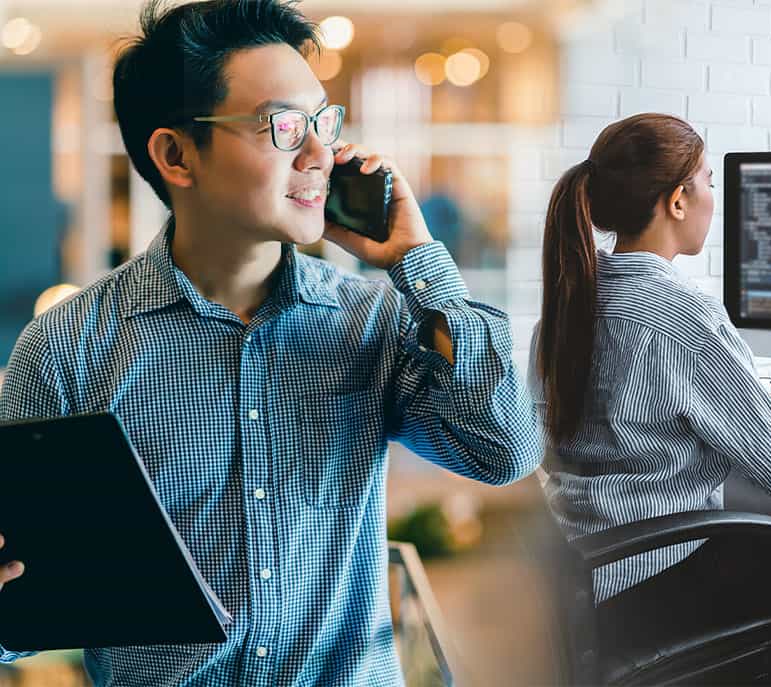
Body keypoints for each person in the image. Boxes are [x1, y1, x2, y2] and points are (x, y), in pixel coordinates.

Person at [0, 1, 540, 684]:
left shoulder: (369, 316)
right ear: (176, 154)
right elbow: (24, 609)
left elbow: (505, 451)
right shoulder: (69, 347)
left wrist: (419, 262)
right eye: (284, 126)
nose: (321, 153)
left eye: (323, 121)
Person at [530, 113, 771, 668]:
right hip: (652, 571)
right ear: (678, 200)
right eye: (709, 180)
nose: (715, 195)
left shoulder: (567, 306)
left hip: (582, 575)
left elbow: (596, 424)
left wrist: (745, 407)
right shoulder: (685, 314)